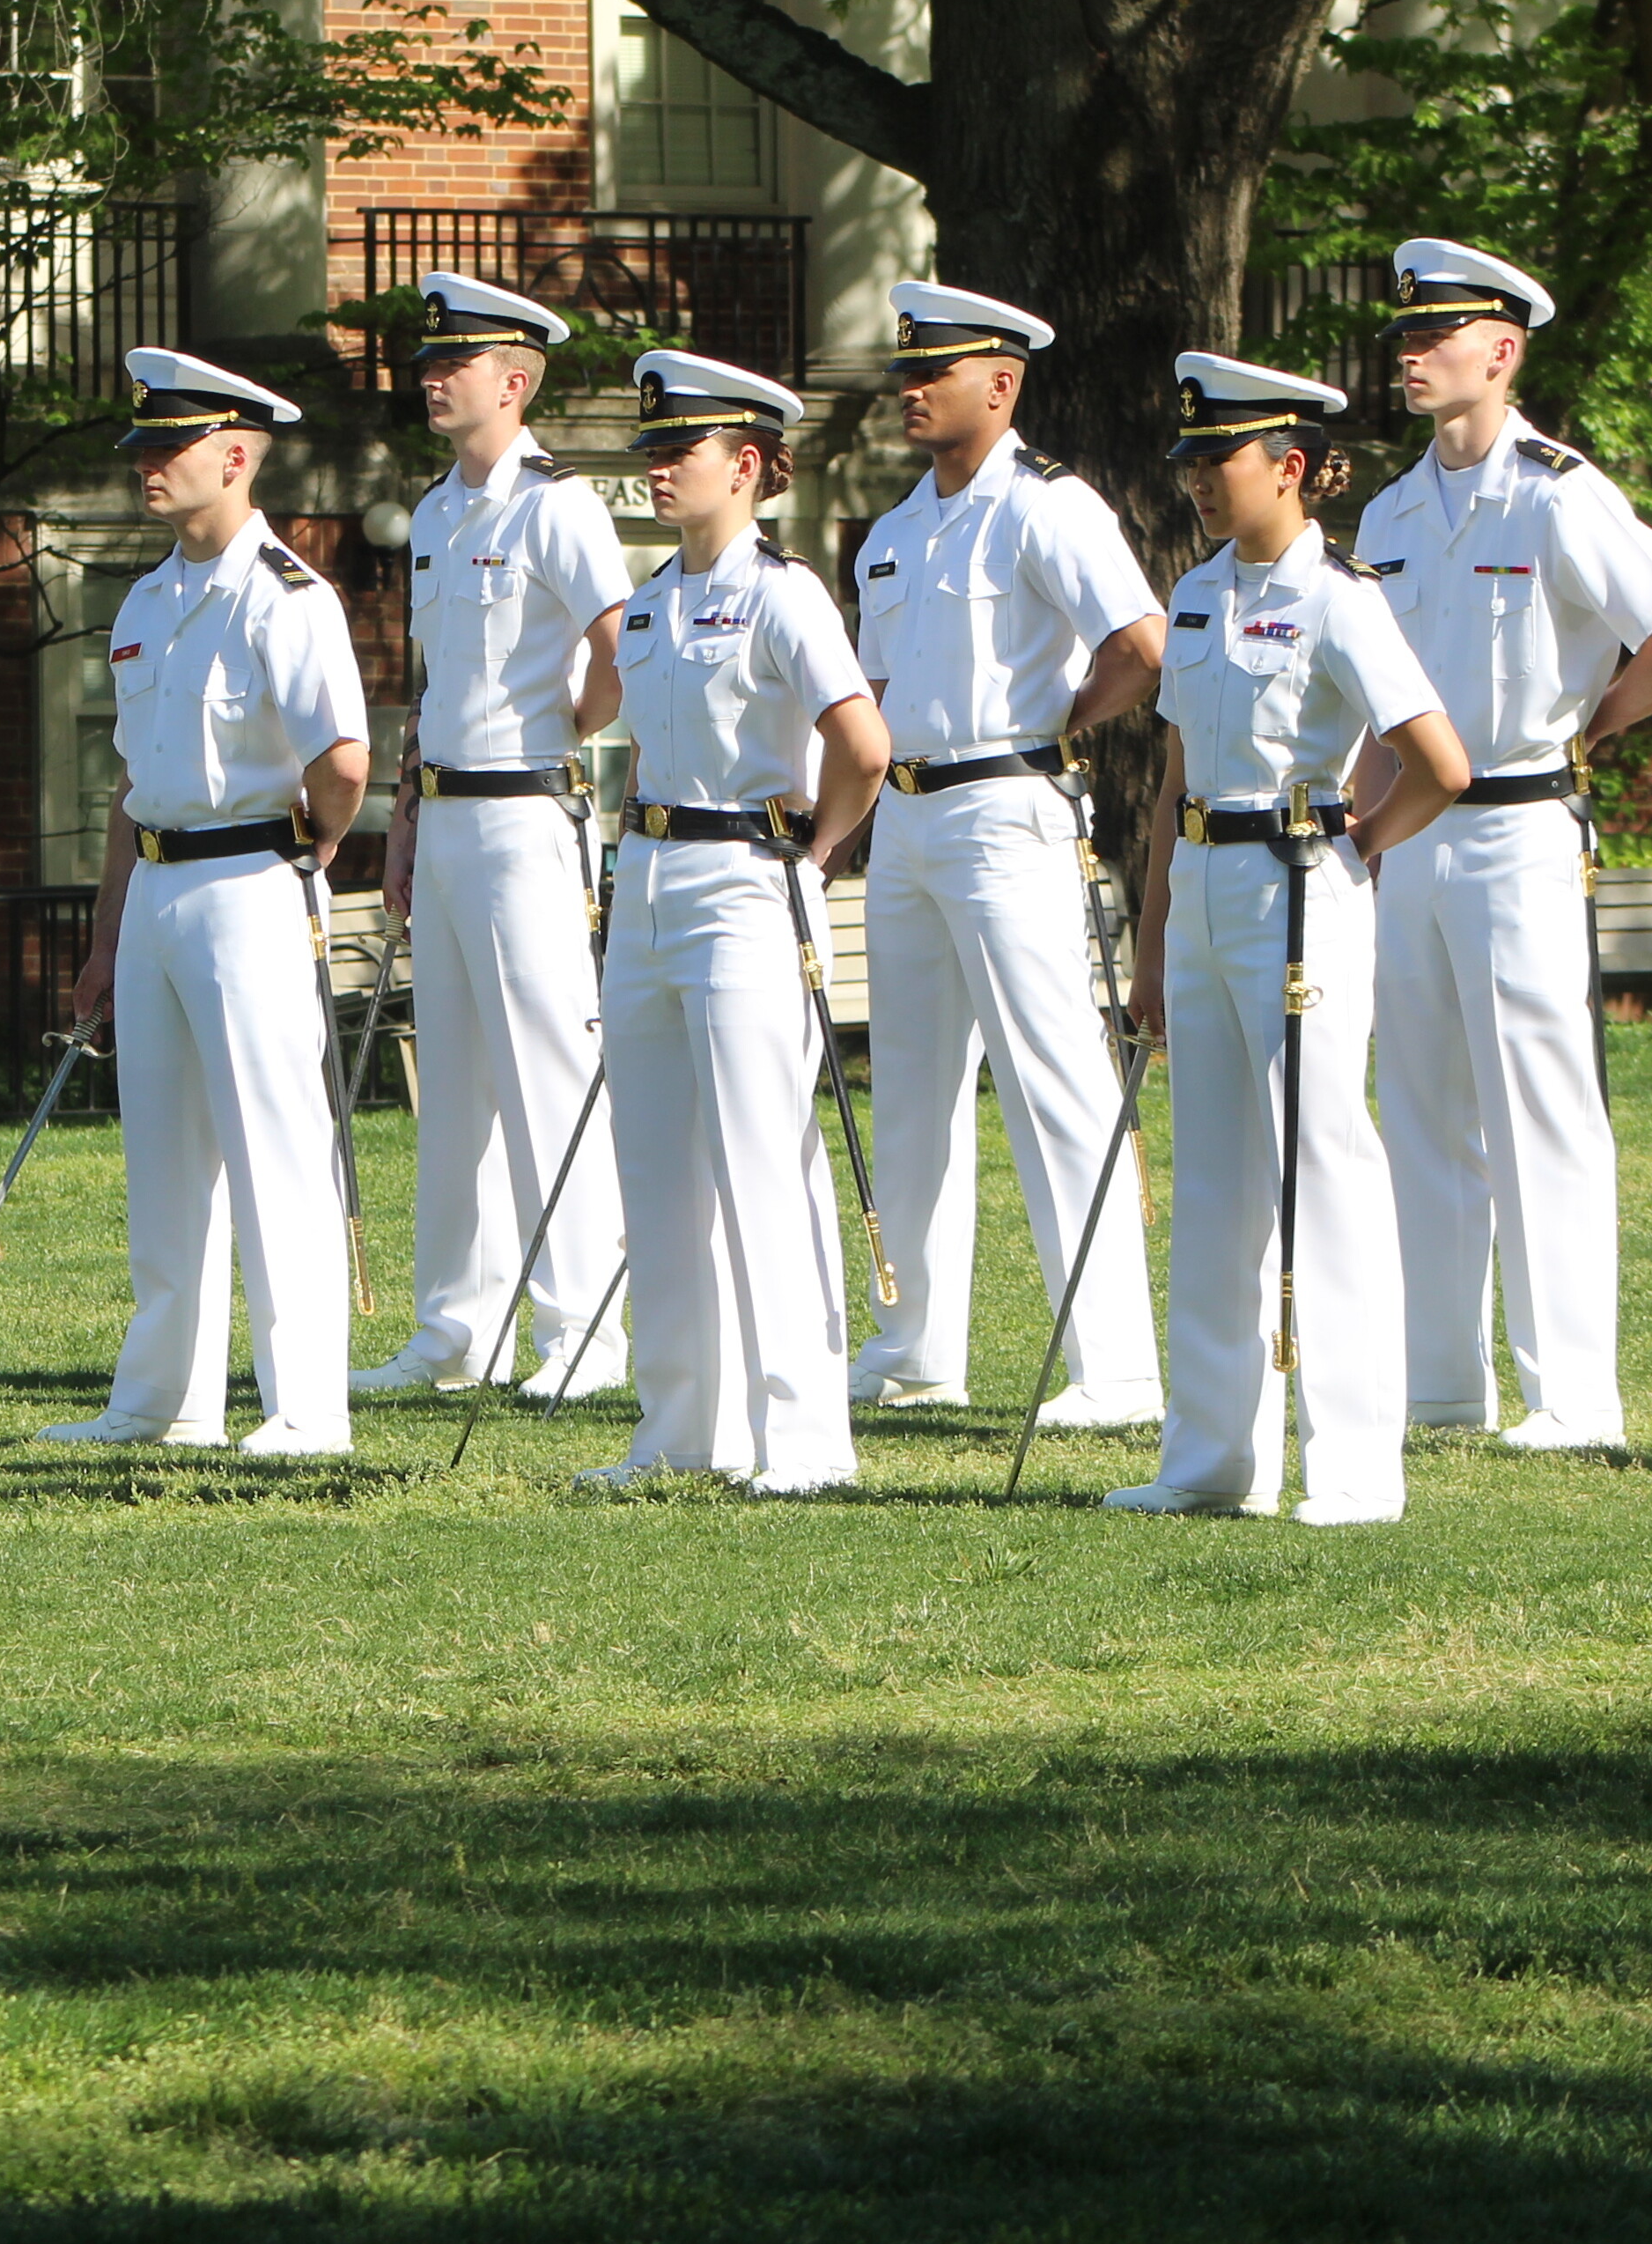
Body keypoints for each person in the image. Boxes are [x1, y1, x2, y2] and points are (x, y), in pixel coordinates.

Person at [1353, 238, 1652, 1453]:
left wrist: (1592, 726)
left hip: (1520, 824)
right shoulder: (1390, 511)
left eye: (1436, 336)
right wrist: (1359, 830)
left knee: (1538, 1113)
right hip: (1412, 831)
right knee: (1419, 1107)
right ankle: (1441, 1383)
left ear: (1502, 351)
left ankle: (1572, 1397)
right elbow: (1374, 693)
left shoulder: (1560, 493)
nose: (1412, 355)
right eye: (1407, 337)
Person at [1113, 354, 1465, 1524]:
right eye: (1193, 460)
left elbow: (1439, 762)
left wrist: (1360, 843)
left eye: (1221, 458)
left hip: (1299, 890)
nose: (1200, 480)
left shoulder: (1340, 597)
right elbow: (1172, 787)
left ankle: (1356, 1470)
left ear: (1291, 466)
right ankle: (1213, 1461)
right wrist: (1151, 947)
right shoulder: (1197, 593)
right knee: (1216, 1180)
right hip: (1205, 889)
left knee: (1322, 1171)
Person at [843, 279, 1167, 1427]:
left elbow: (1141, 646)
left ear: (1001, 382)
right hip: (908, 816)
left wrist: (1052, 724)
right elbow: (873, 693)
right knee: (910, 1089)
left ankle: (1115, 1367)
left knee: (1055, 1082)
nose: (913, 390)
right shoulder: (893, 531)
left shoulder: (1050, 506)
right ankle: (915, 1346)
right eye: (906, 372)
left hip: (1008, 807)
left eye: (934, 372)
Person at [41, 349, 373, 1456]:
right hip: (157, 884)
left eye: (171, 445)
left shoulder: (287, 595)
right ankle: (162, 1400)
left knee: (276, 1153)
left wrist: (313, 843)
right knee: (164, 1159)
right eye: (143, 446)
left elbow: (342, 759)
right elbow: (130, 785)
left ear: (235, 457)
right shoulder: (145, 599)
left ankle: (305, 1409)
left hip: (249, 880)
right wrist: (106, 934)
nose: (148, 463)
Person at [573, 352, 895, 1493]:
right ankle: (679, 1427)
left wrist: (816, 850)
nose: (660, 468)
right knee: (656, 1166)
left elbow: (862, 745)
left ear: (747, 464)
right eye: (653, 449)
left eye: (683, 450)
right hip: (651, 873)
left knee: (764, 1160)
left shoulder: (783, 591)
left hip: (750, 878)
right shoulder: (650, 600)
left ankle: (802, 1438)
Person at [357, 270, 638, 1401]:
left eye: (455, 361)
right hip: (446, 813)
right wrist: (403, 824)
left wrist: (566, 730)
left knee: (548, 1075)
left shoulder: (557, 506)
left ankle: (582, 1333)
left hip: (527, 813)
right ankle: (454, 1333)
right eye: (429, 361)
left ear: (515, 382)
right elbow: (434, 689)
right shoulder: (435, 511)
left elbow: (620, 645)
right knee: (457, 1080)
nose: (432, 376)